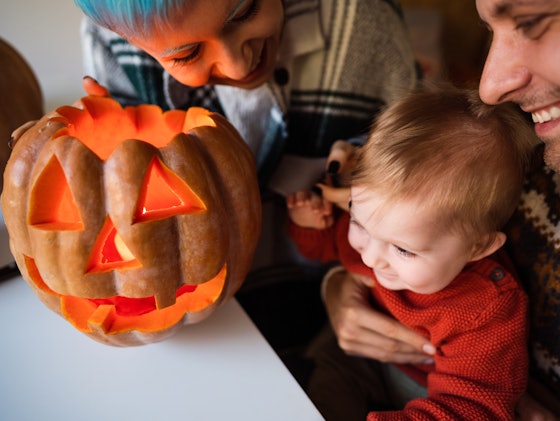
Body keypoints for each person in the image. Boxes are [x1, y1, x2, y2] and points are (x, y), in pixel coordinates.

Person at [322, 1, 560, 420]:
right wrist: (337, 285)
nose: (490, 87)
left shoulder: (485, 301)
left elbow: (474, 401)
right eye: (490, 30)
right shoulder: (525, 165)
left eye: (531, 21)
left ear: (481, 247)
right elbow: (356, 233)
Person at [71, 0, 420, 367]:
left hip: (331, 335)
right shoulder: (112, 43)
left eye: (245, 11)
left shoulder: (363, 17)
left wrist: (343, 278)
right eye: (187, 54)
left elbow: (414, 195)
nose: (239, 65)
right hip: (207, 347)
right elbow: (121, 211)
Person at [287, 86, 537, 420]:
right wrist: (310, 224)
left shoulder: (486, 309)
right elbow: (324, 249)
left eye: (404, 250)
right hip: (354, 363)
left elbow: (470, 408)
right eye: (358, 223)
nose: (371, 258)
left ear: (477, 247)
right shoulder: (382, 226)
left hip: (426, 397)